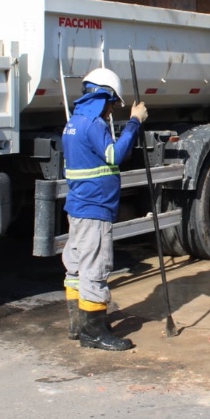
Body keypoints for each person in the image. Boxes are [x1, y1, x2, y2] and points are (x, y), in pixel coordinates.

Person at [62, 67, 148, 351]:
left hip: (78, 207)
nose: (112, 111)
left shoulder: (73, 123)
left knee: (76, 266)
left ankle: (79, 325)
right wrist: (135, 122)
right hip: (95, 208)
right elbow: (116, 155)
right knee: (95, 269)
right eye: (113, 104)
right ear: (104, 96)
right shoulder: (94, 124)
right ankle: (94, 333)